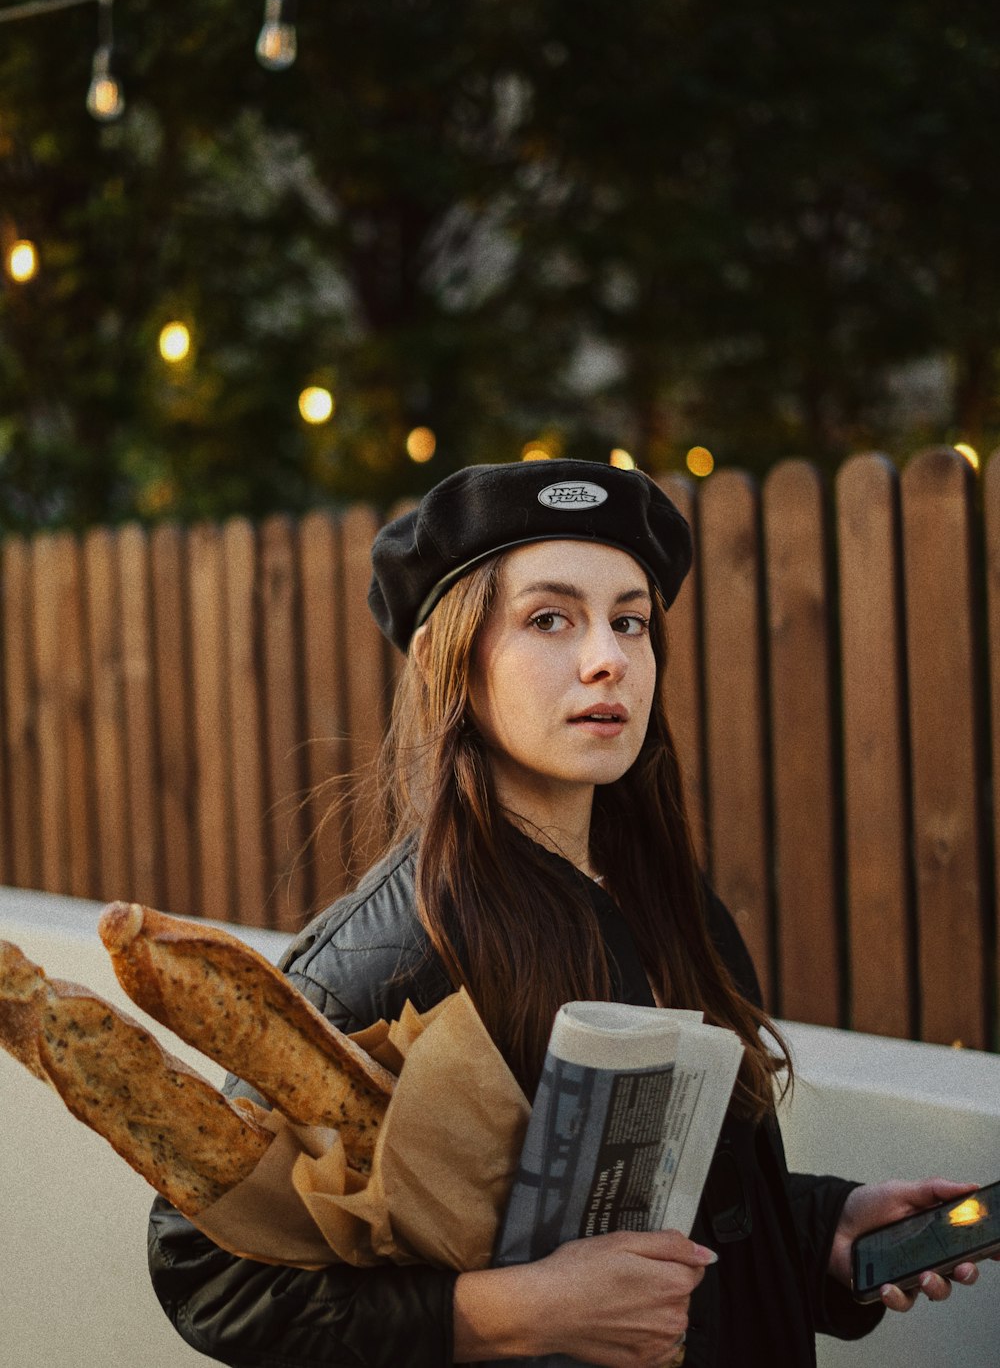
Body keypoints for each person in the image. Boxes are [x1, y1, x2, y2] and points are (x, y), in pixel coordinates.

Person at [149, 458, 987, 1368]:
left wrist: (821, 1224)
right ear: (449, 661)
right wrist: (511, 1314)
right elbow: (204, 1268)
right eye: (551, 619)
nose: (608, 657)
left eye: (630, 620)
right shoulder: (388, 954)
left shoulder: (676, 905)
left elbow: (677, 1202)